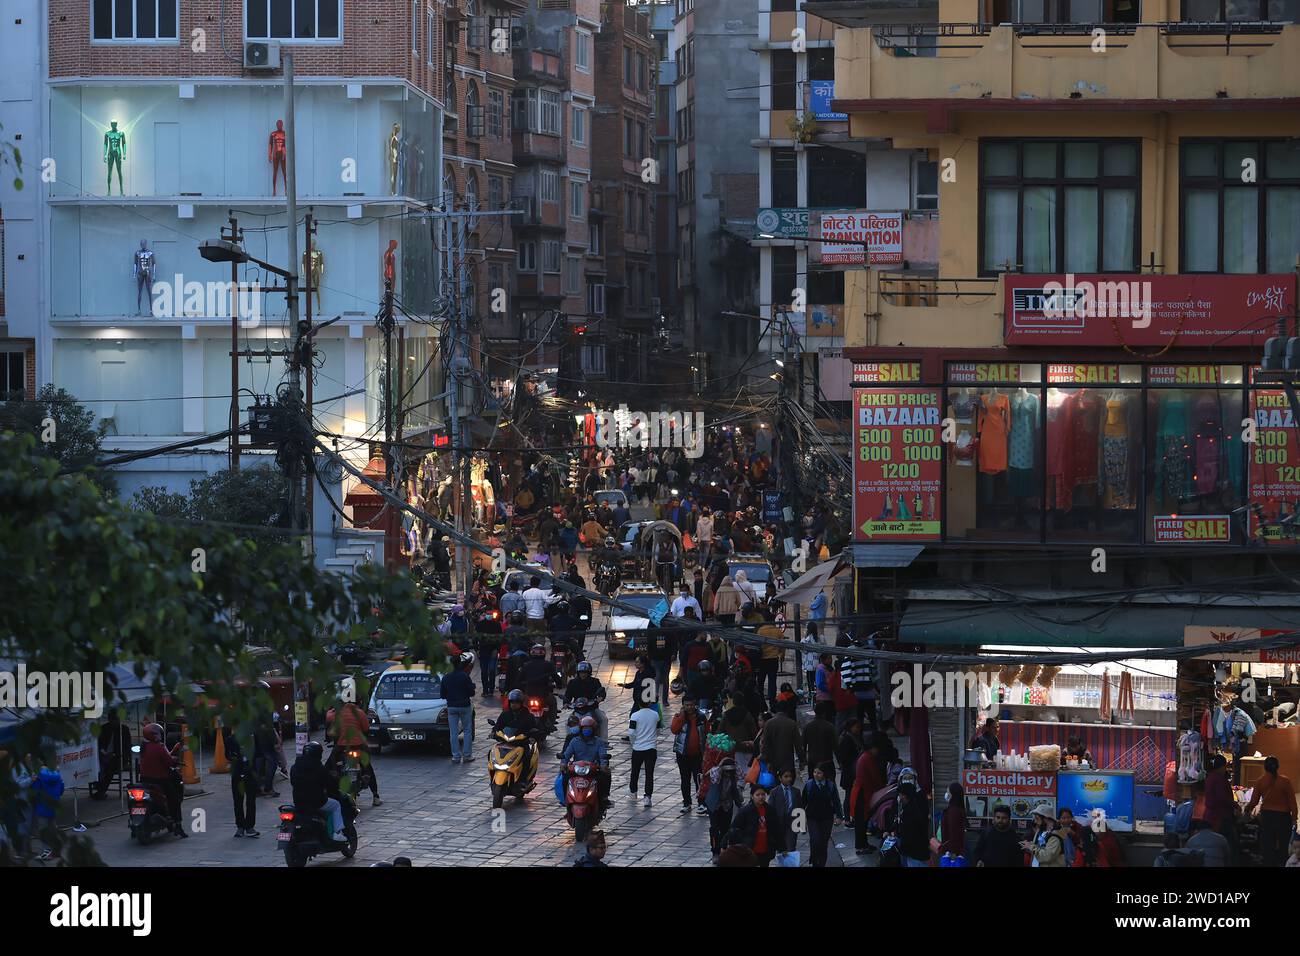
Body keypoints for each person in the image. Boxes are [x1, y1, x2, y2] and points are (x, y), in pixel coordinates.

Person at [1244, 755, 1297, 867]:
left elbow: (1253, 802)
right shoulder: (1285, 781)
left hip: (1267, 817)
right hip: (1283, 817)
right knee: (1283, 846)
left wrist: (1246, 809)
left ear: (1265, 767)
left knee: (1268, 846)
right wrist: (1294, 819)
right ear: (1277, 767)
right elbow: (1292, 803)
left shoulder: (1260, 781)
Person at [328, 695, 381, 806]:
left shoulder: (339, 713)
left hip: (343, 745)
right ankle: (375, 796)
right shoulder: (360, 713)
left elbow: (332, 732)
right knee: (368, 765)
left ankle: (333, 775)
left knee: (330, 761)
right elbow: (366, 729)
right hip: (359, 744)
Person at [138, 723, 186, 837]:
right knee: (174, 799)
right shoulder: (159, 747)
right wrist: (174, 759)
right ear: (155, 734)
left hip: (144, 780)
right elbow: (169, 762)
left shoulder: (143, 747)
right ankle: (178, 824)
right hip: (159, 780)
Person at [290, 741, 345, 842]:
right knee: (336, 805)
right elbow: (330, 784)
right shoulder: (319, 768)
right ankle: (337, 833)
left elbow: (293, 782)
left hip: (298, 801)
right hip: (316, 801)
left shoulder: (295, 767)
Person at [561, 716, 612, 811]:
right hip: (577, 769)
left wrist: (603, 766)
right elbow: (566, 754)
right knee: (565, 779)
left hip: (593, 770)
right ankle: (566, 800)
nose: (586, 731)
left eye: (589, 729)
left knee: (605, 776)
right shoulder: (574, 741)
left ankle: (604, 798)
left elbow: (602, 756)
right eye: (584, 728)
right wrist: (563, 764)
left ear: (593, 730)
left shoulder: (599, 742)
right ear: (581, 729)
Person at [671, 697, 710, 815]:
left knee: (699, 779)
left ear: (695, 705)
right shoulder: (679, 717)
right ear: (683, 705)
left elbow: (707, 731)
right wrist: (682, 717)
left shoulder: (701, 717)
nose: (689, 707)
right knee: (685, 779)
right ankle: (686, 802)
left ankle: (701, 803)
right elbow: (674, 729)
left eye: (691, 705)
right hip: (682, 754)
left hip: (698, 754)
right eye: (686, 705)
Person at [849, 732, 887, 855]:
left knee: (862, 821)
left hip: (862, 791)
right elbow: (875, 776)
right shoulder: (868, 758)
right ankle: (860, 846)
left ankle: (863, 844)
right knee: (861, 821)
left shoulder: (864, 756)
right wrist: (882, 788)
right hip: (862, 793)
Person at [731, 782, 783, 867]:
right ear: (752, 796)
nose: (761, 797)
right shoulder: (745, 811)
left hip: (766, 849)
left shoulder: (770, 811)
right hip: (749, 849)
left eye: (763, 794)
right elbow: (734, 828)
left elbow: (777, 829)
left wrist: (782, 847)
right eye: (758, 795)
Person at [801, 762, 843, 867]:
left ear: (824, 774)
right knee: (815, 839)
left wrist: (839, 816)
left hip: (826, 818)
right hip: (812, 818)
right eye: (815, 772)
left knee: (824, 843)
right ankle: (815, 861)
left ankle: (821, 864)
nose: (816, 774)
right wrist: (801, 820)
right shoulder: (809, 785)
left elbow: (836, 801)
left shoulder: (830, 785)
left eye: (819, 773)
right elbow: (803, 802)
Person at [221, 726, 259, 838]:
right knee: (238, 801)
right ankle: (240, 826)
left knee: (251, 801)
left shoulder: (253, 738)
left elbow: (259, 754)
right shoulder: (230, 740)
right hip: (237, 774)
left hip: (251, 773)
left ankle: (250, 826)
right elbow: (227, 755)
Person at [443, 652, 477, 764]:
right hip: (464, 705)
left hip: (452, 706)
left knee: (453, 733)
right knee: (467, 731)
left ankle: (455, 756)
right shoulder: (464, 676)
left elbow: (442, 694)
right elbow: (471, 692)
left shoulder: (446, 677)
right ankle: (467, 755)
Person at [628, 700, 660, 806]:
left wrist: (634, 743)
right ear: (649, 703)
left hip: (638, 748)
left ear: (639, 703)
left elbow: (631, 732)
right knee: (649, 773)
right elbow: (658, 730)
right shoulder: (655, 715)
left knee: (635, 771)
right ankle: (648, 797)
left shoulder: (635, 715)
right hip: (651, 748)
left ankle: (633, 792)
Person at [768, 768, 803, 861]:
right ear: (780, 778)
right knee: (781, 850)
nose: (788, 779)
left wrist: (801, 824)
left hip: (792, 823)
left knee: (791, 848)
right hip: (779, 825)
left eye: (790, 777)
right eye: (786, 777)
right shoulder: (774, 792)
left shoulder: (796, 791)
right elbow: (770, 810)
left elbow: (800, 808)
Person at [761, 704, 803, 779]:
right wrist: (802, 760)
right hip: (788, 760)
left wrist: (766, 760)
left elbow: (765, 744)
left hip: (773, 760)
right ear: (787, 711)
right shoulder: (792, 724)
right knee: (788, 781)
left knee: (776, 784)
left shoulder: (769, 723)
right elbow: (798, 745)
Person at [895, 781, 931, 867]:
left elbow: (908, 832)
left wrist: (903, 849)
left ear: (904, 795)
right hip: (920, 850)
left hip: (914, 852)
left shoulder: (909, 811)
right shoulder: (916, 805)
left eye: (900, 795)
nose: (899, 797)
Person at [803, 701, 837, 780]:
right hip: (827, 760)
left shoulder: (808, 727)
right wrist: (840, 761)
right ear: (824, 712)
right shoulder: (830, 727)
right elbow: (835, 745)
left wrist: (803, 760)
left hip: (813, 761)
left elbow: (803, 745)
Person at [836, 717, 863, 816]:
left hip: (854, 771)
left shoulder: (855, 737)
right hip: (849, 772)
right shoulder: (847, 739)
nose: (858, 729)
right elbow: (843, 757)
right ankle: (847, 816)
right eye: (856, 727)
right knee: (849, 795)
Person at [939, 781, 968, 859]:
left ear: (954, 794)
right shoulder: (957, 809)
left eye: (948, 792)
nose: (946, 794)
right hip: (951, 850)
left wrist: (953, 852)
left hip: (951, 852)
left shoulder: (954, 811)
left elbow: (953, 832)